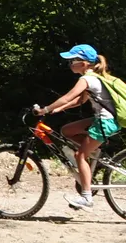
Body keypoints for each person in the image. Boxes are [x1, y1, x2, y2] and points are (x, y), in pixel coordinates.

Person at [35, 43, 120, 210]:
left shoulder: (87, 79)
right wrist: (59, 109)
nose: (70, 63)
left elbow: (67, 97)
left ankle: (87, 197)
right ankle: (92, 151)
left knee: (80, 155)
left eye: (72, 60)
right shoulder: (93, 78)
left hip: (105, 122)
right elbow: (79, 100)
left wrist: (45, 109)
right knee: (67, 131)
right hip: (102, 120)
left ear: (83, 63)